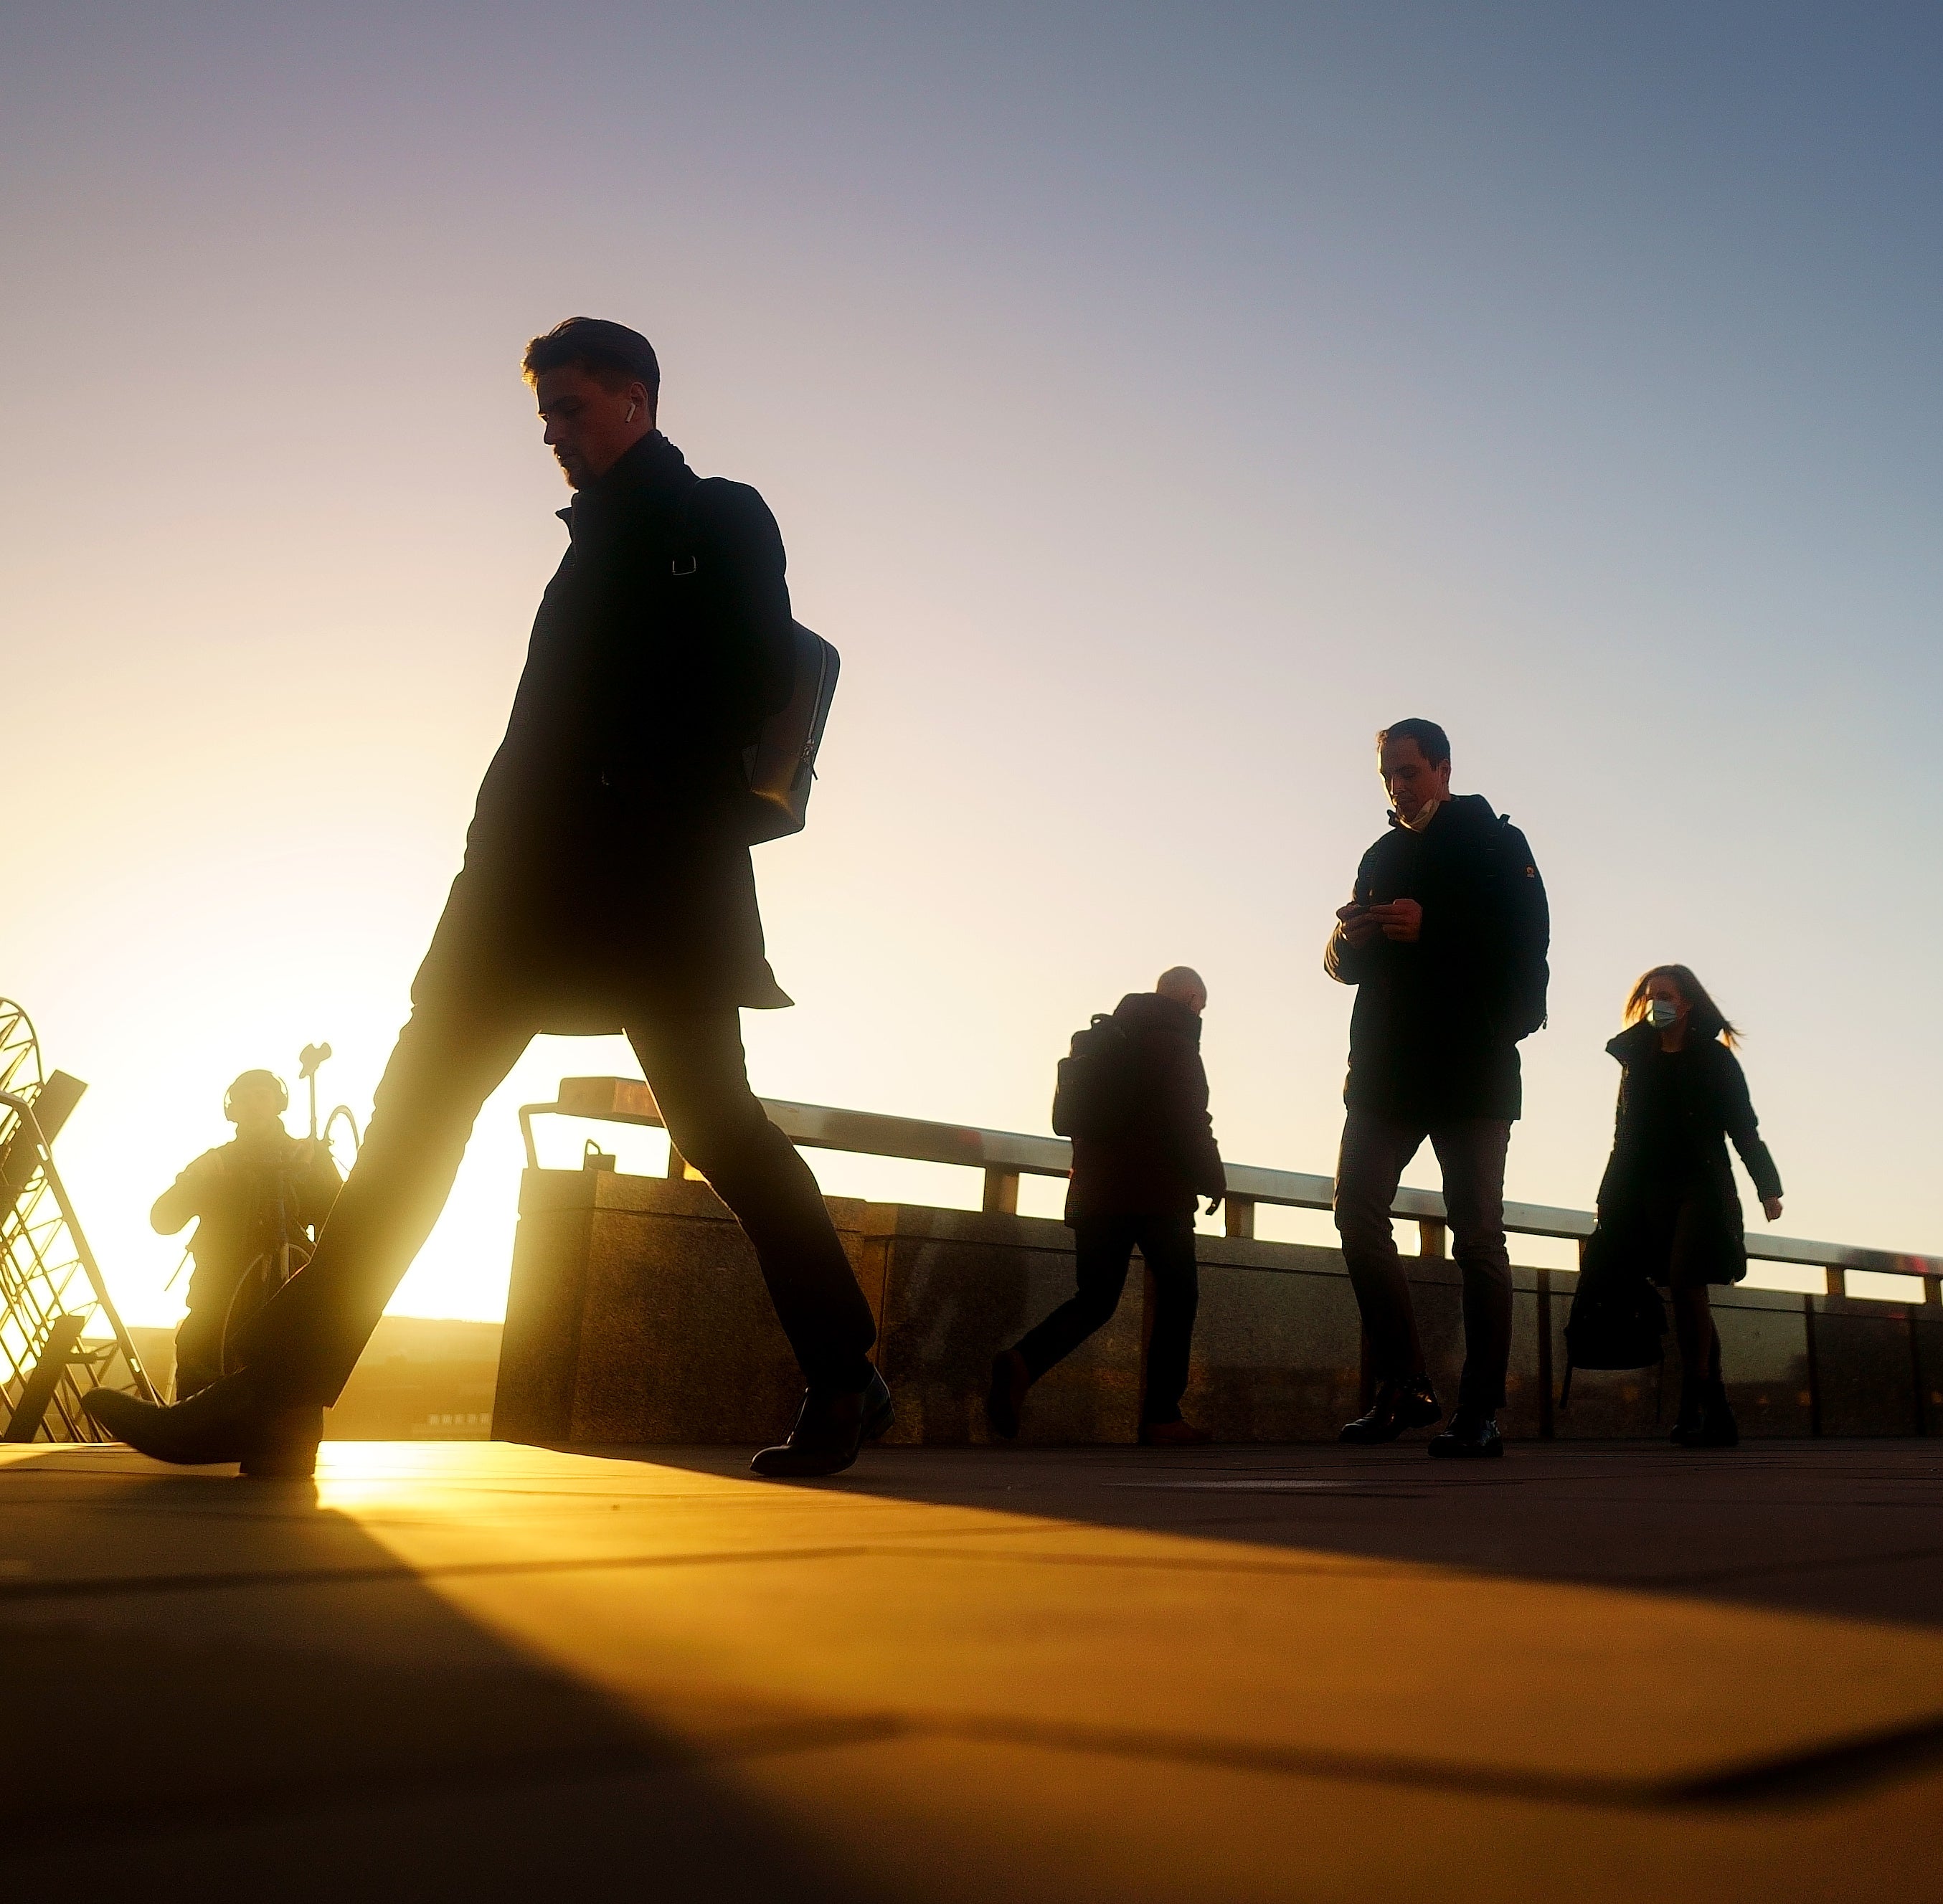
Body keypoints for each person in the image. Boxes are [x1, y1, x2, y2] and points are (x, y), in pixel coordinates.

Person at [86, 318, 883, 1479]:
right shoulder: (587, 547)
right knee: (410, 1129)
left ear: (634, 400)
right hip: (516, 900)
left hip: (652, 893)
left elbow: (756, 670)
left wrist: (626, 777)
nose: (553, 434)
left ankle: (845, 1375)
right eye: (544, 414)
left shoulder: (714, 516)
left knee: (721, 1131)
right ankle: (279, 1399)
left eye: (569, 407)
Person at [1324, 719, 1551, 1458]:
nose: (1398, 786)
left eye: (1410, 771)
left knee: (1478, 1234)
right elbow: (1340, 966)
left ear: (1443, 769)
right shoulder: (1379, 855)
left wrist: (1435, 926)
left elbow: (1527, 943)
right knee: (1355, 1213)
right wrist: (1343, 941)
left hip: (1469, 1069)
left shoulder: (1494, 843)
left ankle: (1478, 1409)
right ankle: (1404, 1384)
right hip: (1386, 1071)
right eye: (1388, 774)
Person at [988, 968, 1227, 1446]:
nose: (1200, 1012)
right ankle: (1162, 1416)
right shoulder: (1174, 1042)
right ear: (1191, 997)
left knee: (1095, 1299)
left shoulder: (1102, 1040)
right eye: (1200, 1004)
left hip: (1096, 1191)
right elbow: (1188, 1117)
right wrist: (1211, 1177)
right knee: (1179, 1297)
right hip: (1157, 1193)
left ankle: (1023, 1360)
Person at [1591, 966, 1784, 1449]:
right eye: (1652, 995)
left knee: (1684, 1279)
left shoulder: (1713, 1060)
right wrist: (1608, 1197)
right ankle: (1715, 1407)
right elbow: (1623, 1136)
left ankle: (1693, 1402)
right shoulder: (1639, 1059)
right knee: (1684, 1291)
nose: (1658, 1003)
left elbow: (1743, 1127)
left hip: (1701, 1187)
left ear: (1687, 1003)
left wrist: (1768, 1187)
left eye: (1667, 995)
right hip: (1648, 1190)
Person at [148, 1070, 344, 1401]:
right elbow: (163, 1220)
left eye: (261, 1096)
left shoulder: (306, 1158)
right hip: (218, 1298)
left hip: (288, 1294)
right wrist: (193, 1180)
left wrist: (316, 1172)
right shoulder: (217, 1163)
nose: (253, 1105)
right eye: (244, 1098)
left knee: (292, 1388)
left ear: (278, 1104)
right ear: (232, 1109)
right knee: (200, 1360)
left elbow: (339, 1226)